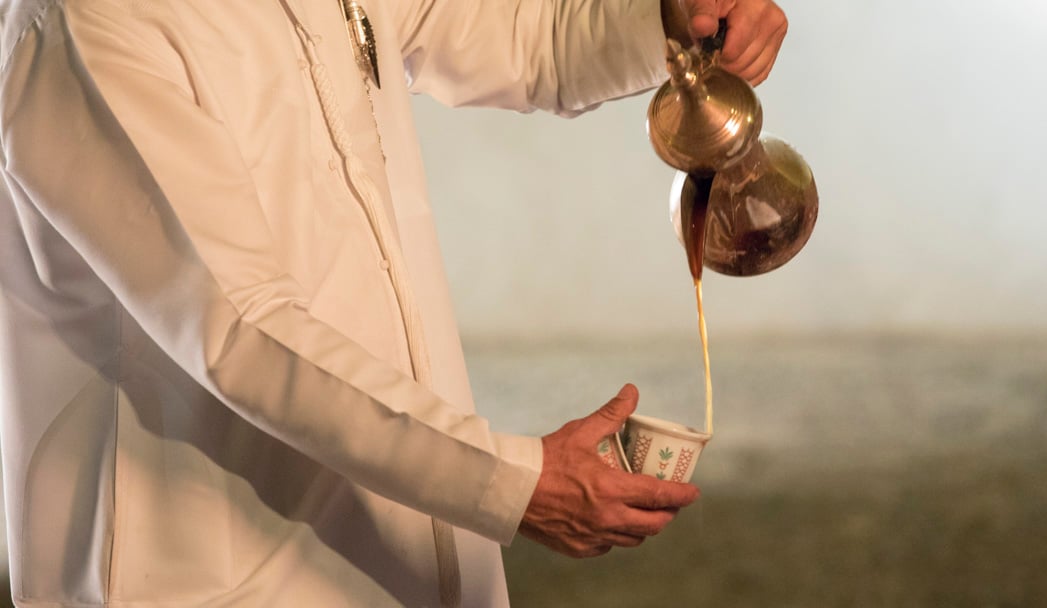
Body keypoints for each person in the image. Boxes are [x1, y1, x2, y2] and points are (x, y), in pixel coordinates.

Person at [0, 0, 786, 605]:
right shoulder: (87, 23)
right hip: (210, 575)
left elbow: (514, 39)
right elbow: (238, 330)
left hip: (400, 549)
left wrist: (669, 22)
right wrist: (510, 481)